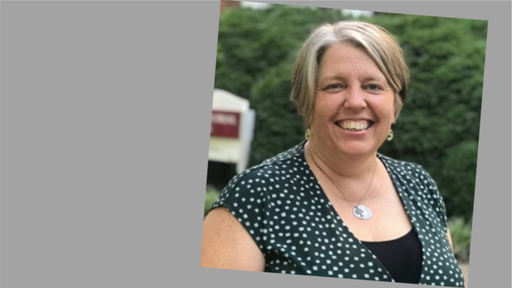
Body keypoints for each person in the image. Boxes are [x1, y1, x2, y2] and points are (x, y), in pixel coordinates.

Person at [200, 21, 466, 287]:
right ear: (307, 102)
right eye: (334, 86)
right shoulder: (256, 196)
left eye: (373, 86)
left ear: (395, 104)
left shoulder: (419, 185)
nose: (355, 101)